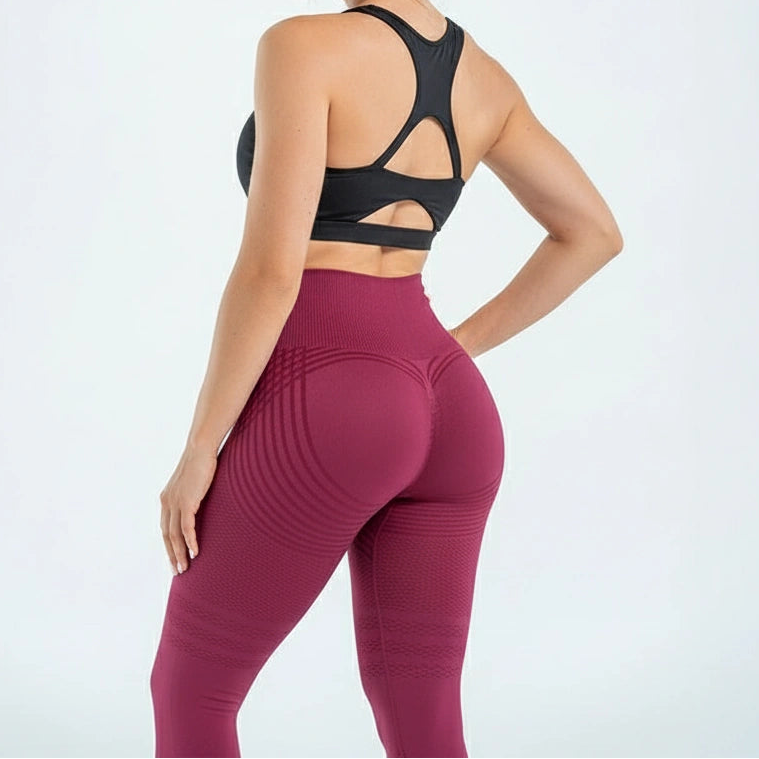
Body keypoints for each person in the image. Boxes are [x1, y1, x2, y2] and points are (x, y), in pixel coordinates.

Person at [149, 1, 624, 757]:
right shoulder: (485, 80)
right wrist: (448, 352)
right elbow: (593, 232)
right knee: (420, 707)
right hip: (449, 403)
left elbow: (271, 272)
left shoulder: (302, 45)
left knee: (193, 690)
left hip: (336, 396)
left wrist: (201, 444)